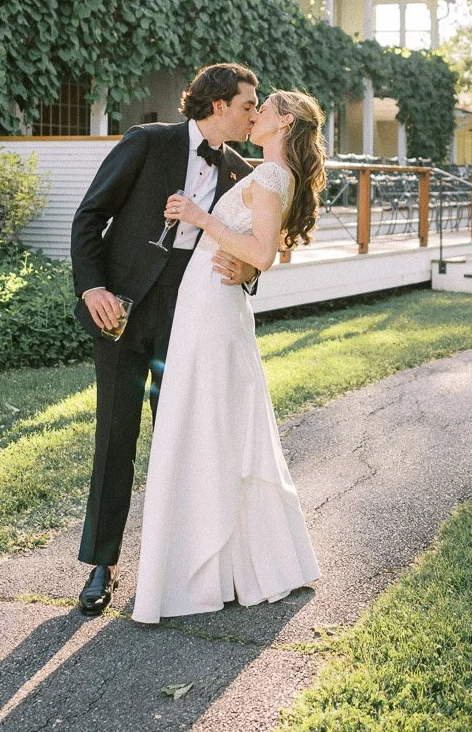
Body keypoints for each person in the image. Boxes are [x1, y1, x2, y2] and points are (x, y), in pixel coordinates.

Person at [69, 63, 261, 616]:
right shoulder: (148, 143)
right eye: (248, 105)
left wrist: (247, 273)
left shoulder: (243, 174)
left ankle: (179, 564)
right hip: (122, 309)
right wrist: (93, 289)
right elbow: (90, 216)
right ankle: (102, 565)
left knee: (184, 440)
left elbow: (251, 253)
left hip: (192, 314)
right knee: (116, 433)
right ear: (219, 104)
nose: (254, 114)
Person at [131, 89, 327, 624]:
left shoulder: (269, 177)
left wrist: (199, 216)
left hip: (214, 308)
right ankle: (216, 559)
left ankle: (204, 564)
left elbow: (262, 251)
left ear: (283, 121)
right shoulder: (267, 173)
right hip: (209, 299)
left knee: (208, 419)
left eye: (264, 107)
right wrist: (237, 255)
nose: (255, 111)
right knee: (209, 417)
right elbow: (257, 251)